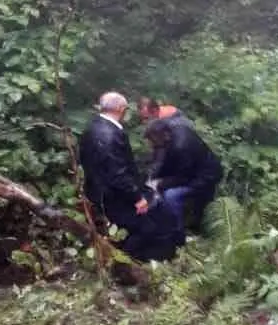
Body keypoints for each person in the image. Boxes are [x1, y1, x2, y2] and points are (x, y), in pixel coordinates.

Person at [79, 92, 178, 262]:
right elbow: (117, 173)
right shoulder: (110, 134)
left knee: (152, 215)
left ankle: (127, 259)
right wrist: (137, 197)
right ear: (120, 109)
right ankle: (124, 263)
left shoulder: (92, 127)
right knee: (148, 227)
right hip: (113, 196)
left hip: (96, 190)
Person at [144, 112, 223, 243]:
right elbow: (165, 163)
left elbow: (184, 177)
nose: (152, 144)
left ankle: (178, 233)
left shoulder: (181, 146)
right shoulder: (170, 137)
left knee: (171, 196)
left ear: (164, 135)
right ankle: (167, 226)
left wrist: (159, 184)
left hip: (204, 177)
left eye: (153, 140)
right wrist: (153, 178)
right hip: (191, 173)